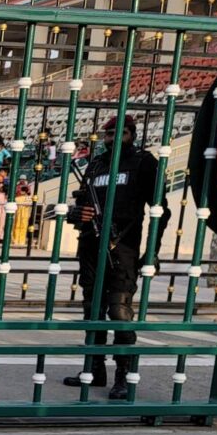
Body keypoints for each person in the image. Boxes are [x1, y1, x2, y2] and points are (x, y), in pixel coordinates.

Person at [63, 114, 168, 399]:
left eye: (118, 134)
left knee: (119, 310)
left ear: (131, 134)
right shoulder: (96, 164)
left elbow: (161, 211)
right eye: (107, 135)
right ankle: (95, 368)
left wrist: (152, 252)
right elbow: (81, 203)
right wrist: (76, 214)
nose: (111, 140)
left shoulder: (144, 163)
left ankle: (123, 374)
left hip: (124, 247)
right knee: (92, 309)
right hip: (90, 245)